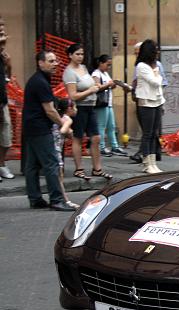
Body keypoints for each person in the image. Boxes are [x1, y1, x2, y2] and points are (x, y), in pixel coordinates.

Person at [22, 50, 75, 211]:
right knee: (51, 163)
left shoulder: (38, 80)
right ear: (40, 63)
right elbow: (50, 110)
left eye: (55, 61)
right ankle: (57, 200)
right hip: (39, 128)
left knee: (32, 165)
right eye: (51, 61)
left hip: (30, 127)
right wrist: (62, 125)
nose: (55, 64)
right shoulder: (40, 82)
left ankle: (35, 198)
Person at [63, 43, 112, 180]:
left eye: (82, 54)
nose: (80, 57)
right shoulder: (69, 72)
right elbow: (73, 95)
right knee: (78, 138)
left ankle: (97, 169)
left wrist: (96, 86)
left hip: (91, 106)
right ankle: (79, 169)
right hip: (80, 108)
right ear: (70, 55)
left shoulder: (83, 68)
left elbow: (89, 84)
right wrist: (90, 90)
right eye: (77, 54)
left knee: (96, 137)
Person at [130, 41, 168, 164]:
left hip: (157, 100)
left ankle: (153, 161)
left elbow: (161, 83)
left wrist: (157, 75)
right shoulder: (142, 66)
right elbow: (155, 82)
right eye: (155, 50)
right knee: (147, 133)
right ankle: (147, 162)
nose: (157, 52)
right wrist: (157, 75)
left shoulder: (156, 65)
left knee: (153, 133)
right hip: (146, 102)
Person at [91, 54, 127, 157]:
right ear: (100, 63)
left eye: (110, 65)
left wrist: (114, 84)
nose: (109, 67)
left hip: (108, 102)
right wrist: (108, 85)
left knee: (111, 126)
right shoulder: (96, 74)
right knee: (101, 126)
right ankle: (101, 147)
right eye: (107, 64)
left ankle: (114, 146)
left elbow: (108, 87)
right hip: (102, 103)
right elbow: (97, 87)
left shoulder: (105, 73)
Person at [51, 98, 79, 209]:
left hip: (53, 146)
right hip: (56, 148)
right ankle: (65, 200)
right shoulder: (67, 119)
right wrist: (68, 129)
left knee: (58, 175)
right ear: (69, 109)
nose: (76, 110)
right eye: (75, 107)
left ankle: (62, 198)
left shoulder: (57, 116)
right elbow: (63, 131)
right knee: (60, 176)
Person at [0, 16, 14, 182]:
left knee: (6, 134)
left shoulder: (4, 56)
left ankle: (2, 164)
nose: (2, 30)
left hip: (2, 99)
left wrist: (8, 64)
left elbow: (7, 78)